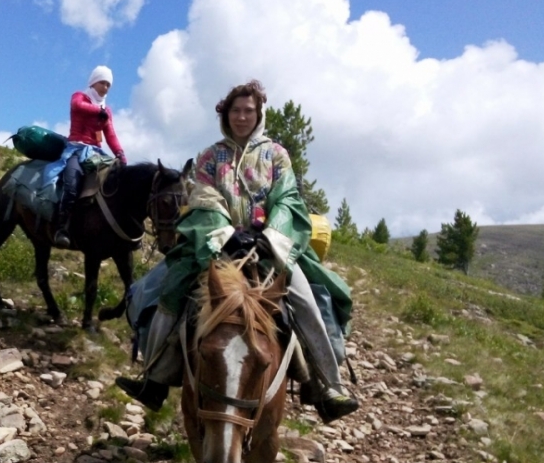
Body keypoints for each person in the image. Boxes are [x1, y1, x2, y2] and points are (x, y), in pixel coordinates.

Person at [115, 80, 360, 423]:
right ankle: (153, 378)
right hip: (216, 245)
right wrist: (226, 234)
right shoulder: (210, 156)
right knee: (166, 291)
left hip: (270, 247)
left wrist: (271, 234)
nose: (242, 117)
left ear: (258, 115)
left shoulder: (276, 155)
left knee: (307, 301)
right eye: (235, 110)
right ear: (225, 114)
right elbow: (202, 196)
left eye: (249, 111)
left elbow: (288, 198)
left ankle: (327, 386)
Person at [54, 66, 127, 247]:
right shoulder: (79, 96)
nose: (106, 87)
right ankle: (62, 228)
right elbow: (77, 106)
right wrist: (98, 111)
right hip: (76, 149)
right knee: (72, 184)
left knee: (117, 183)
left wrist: (120, 153)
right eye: (103, 82)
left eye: (109, 84)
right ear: (93, 82)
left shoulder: (106, 110)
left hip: (96, 153)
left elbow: (110, 135)